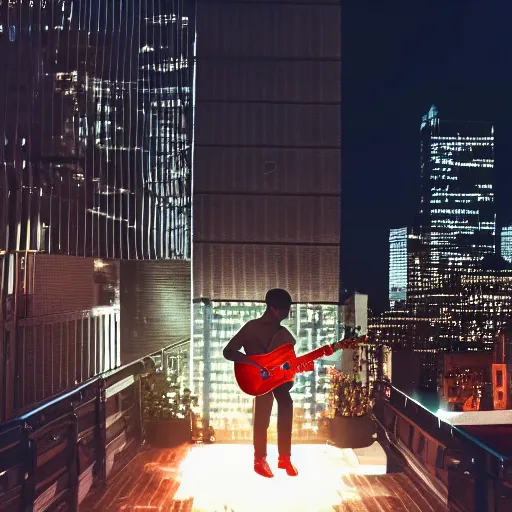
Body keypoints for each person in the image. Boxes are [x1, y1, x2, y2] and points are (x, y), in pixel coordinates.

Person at [223, 288, 300, 478]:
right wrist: (254, 364)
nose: (288, 312)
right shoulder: (251, 328)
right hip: (259, 380)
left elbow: (288, 360)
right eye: (286, 309)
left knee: (286, 404)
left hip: (278, 379)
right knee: (262, 417)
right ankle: (259, 459)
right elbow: (228, 351)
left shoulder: (284, 334)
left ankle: (284, 458)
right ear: (274, 309)